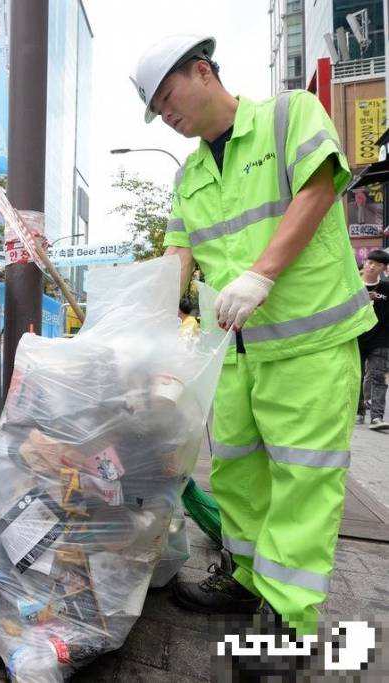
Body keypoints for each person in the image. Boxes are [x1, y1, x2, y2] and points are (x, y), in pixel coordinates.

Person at [130, 34, 376, 636]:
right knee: (238, 471)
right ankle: (243, 579)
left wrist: (262, 275)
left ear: (203, 71)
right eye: (158, 111)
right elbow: (178, 256)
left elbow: (318, 191)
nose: (168, 115)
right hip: (232, 350)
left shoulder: (289, 114)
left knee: (302, 476)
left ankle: (288, 618)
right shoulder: (187, 173)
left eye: (169, 97)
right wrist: (136, 330)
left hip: (307, 340)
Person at [356, 249, 389, 430]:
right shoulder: (353, 286)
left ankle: (377, 417)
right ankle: (359, 412)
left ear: (383, 268)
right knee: (357, 376)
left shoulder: (386, 289)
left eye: (377, 264)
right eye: (369, 262)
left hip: (381, 341)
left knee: (379, 378)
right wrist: (362, 299)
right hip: (356, 337)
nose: (371, 266)